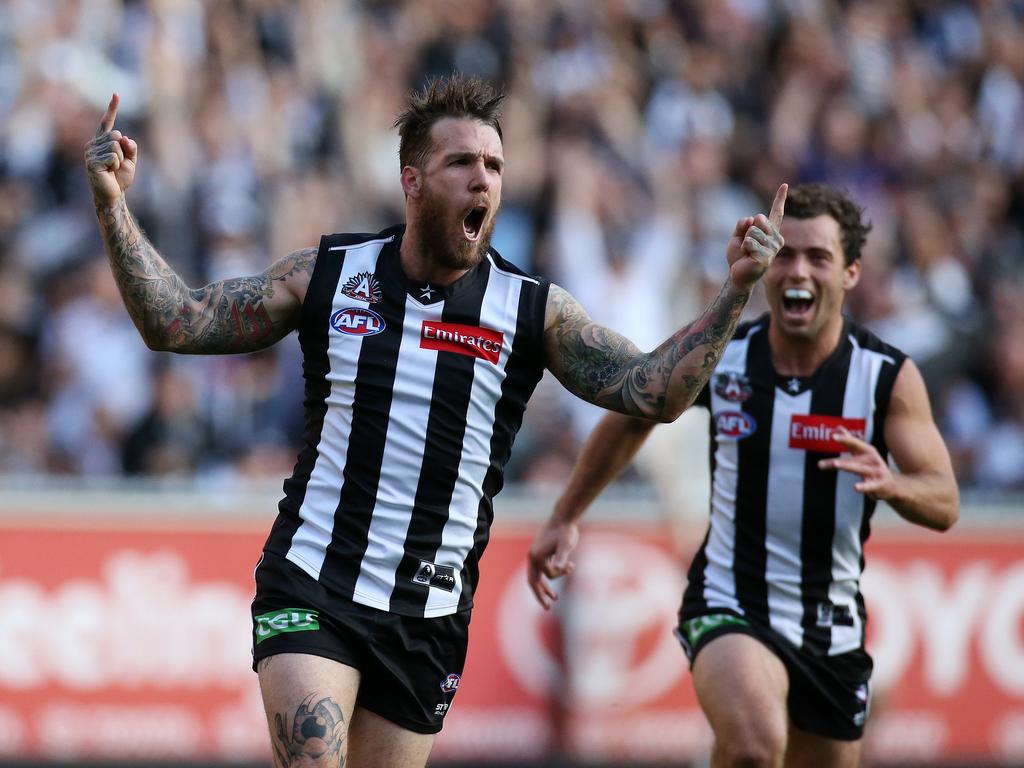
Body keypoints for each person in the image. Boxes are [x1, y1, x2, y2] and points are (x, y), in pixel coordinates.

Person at [84, 73, 786, 768]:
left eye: (495, 166)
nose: (483, 180)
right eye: (462, 163)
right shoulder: (328, 273)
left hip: (427, 612)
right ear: (412, 181)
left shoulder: (533, 309)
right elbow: (176, 321)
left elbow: (652, 392)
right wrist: (112, 203)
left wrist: (734, 292)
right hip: (313, 579)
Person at [528, 183, 959, 768]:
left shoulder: (885, 377)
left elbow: (944, 499)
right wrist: (565, 515)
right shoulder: (724, 357)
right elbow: (634, 416)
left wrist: (895, 484)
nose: (797, 270)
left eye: (819, 258)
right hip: (729, 599)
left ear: (851, 273)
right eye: (785, 255)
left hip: (829, 623)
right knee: (755, 746)